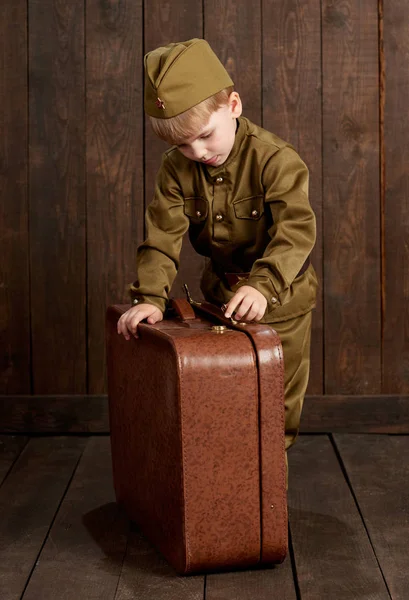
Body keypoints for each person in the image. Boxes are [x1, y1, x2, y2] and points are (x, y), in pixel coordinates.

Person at [117, 38, 318, 462]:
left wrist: (263, 286)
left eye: (205, 136)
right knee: (225, 401)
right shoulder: (176, 167)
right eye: (184, 145)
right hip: (220, 304)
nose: (198, 153)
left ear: (234, 106)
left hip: (282, 302)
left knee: (274, 409)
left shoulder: (276, 160)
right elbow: (161, 236)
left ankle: (263, 502)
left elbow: (296, 231)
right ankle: (224, 494)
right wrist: (150, 297)